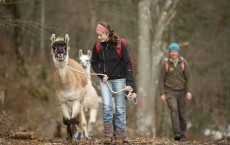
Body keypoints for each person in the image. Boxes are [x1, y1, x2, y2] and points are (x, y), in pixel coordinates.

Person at [91, 22, 137, 144]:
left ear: (107, 33)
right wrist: (101, 74)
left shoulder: (120, 45)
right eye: (98, 35)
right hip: (105, 81)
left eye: (100, 35)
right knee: (106, 105)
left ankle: (120, 136)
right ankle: (108, 134)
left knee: (120, 108)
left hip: (120, 79)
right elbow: (93, 63)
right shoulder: (97, 46)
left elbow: (128, 63)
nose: (99, 37)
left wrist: (129, 83)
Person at [159, 43, 192, 141]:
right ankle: (177, 133)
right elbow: (161, 79)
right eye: (172, 51)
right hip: (169, 91)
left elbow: (188, 78)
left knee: (181, 113)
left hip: (181, 91)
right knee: (174, 109)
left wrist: (188, 91)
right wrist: (162, 94)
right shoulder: (166, 63)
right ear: (169, 52)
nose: (173, 53)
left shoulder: (183, 63)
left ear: (178, 52)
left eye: (175, 51)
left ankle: (182, 134)